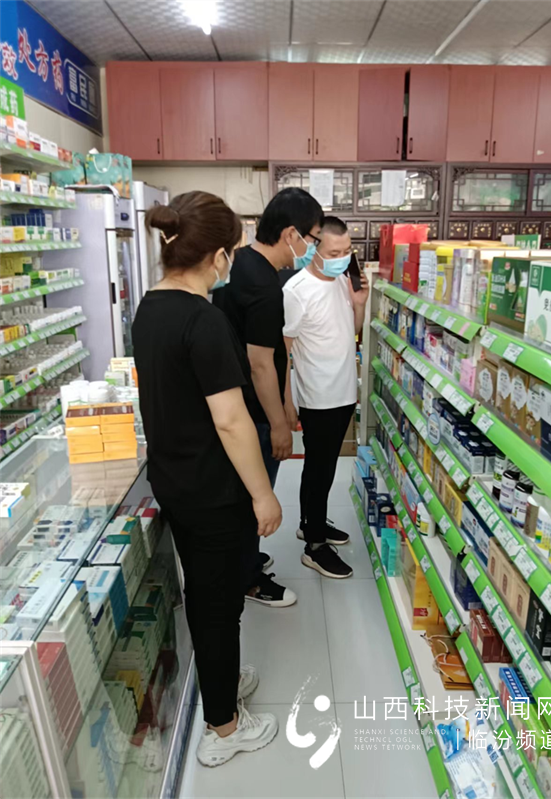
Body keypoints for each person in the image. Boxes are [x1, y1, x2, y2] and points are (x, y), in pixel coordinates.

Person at [132, 191, 282, 766]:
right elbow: (230, 419)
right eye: (233, 252)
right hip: (214, 490)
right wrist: (263, 494)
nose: (233, 261)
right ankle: (224, 727)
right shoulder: (204, 319)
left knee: (206, 591)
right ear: (218, 255)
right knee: (218, 603)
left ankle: (221, 678)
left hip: (175, 479)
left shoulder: (150, 307)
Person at [213, 187, 324, 605]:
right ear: (291, 234)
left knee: (241, 493)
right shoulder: (264, 284)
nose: (312, 248)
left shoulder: (240, 263)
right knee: (255, 496)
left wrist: (286, 400)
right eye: (312, 238)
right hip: (254, 411)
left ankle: (245, 560)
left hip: (237, 400)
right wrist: (278, 423)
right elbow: (260, 362)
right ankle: (248, 579)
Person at [283, 217, 369, 578]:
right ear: (314, 249)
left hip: (344, 390)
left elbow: (352, 332)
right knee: (319, 470)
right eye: (334, 253)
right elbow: (283, 350)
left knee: (325, 467)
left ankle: (311, 524)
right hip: (318, 397)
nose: (342, 258)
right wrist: (287, 402)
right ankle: (314, 547)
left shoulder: (341, 282)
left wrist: (359, 304)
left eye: (347, 251)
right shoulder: (296, 290)